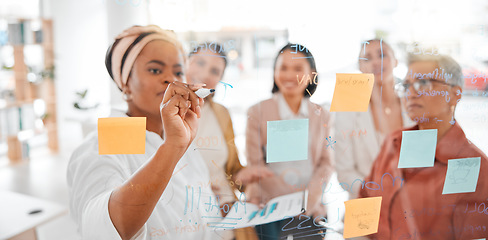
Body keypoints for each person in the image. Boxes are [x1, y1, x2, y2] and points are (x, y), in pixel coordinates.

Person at [67, 25, 221, 239]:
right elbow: (103, 228)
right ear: (126, 84)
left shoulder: (179, 137)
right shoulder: (105, 143)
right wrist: (173, 148)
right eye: (155, 70)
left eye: (178, 72)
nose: (171, 79)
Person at [359, 54, 488, 239]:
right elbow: (365, 198)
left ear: (454, 94)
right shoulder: (394, 142)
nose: (411, 93)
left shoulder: (475, 167)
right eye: (406, 86)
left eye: (423, 83)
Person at [244, 43, 334, 240]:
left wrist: (309, 199)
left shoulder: (322, 115)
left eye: (298, 69)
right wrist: (290, 201)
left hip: (311, 205)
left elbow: (326, 163)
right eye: (283, 68)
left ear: (311, 74)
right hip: (269, 204)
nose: (289, 75)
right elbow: (255, 164)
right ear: (274, 71)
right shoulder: (257, 113)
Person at [186, 42, 268, 240]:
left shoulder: (221, 114)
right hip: (187, 221)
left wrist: (249, 178)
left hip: (227, 216)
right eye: (200, 63)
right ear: (185, 63)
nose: (205, 74)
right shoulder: (163, 113)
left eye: (214, 71)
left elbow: (232, 171)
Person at [335, 39, 415, 198]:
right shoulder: (347, 109)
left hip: (411, 203)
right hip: (366, 206)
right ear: (360, 67)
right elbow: (344, 173)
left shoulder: (413, 106)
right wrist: (376, 192)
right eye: (367, 58)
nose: (376, 62)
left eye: (382, 55)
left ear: (395, 61)